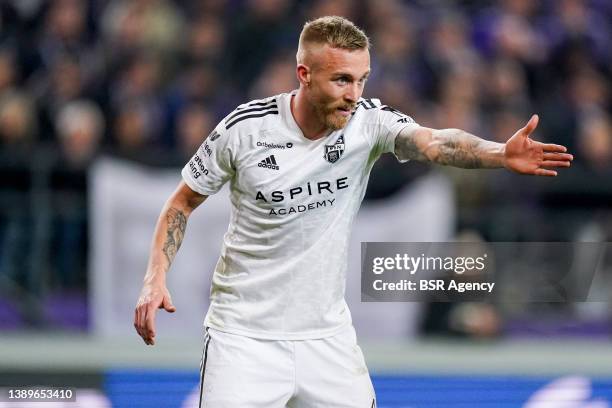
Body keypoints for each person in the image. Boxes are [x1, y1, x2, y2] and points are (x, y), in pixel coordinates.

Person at [134, 16, 573, 407]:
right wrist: (154, 279)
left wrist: (499, 153)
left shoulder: (368, 122)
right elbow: (180, 204)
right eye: (342, 80)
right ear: (304, 75)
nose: (354, 94)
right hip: (243, 336)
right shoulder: (244, 131)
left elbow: (435, 142)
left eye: (362, 79)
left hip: (327, 338)